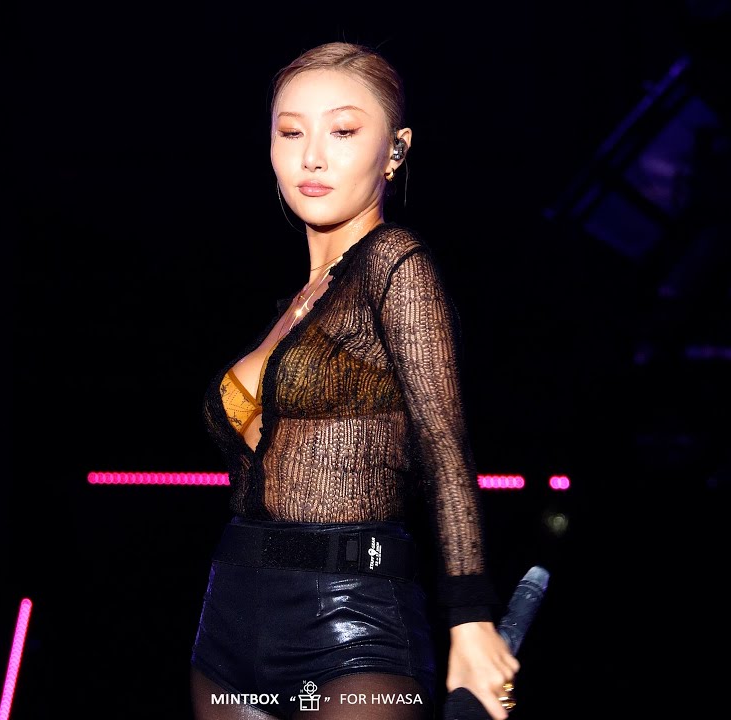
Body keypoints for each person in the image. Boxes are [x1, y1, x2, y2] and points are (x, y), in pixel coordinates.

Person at [190, 41, 519, 720]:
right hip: (228, 618)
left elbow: (444, 444)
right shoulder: (293, 306)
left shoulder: (396, 264)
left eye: (342, 131)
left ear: (395, 150)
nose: (312, 156)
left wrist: (470, 616)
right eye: (291, 133)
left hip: (354, 615)